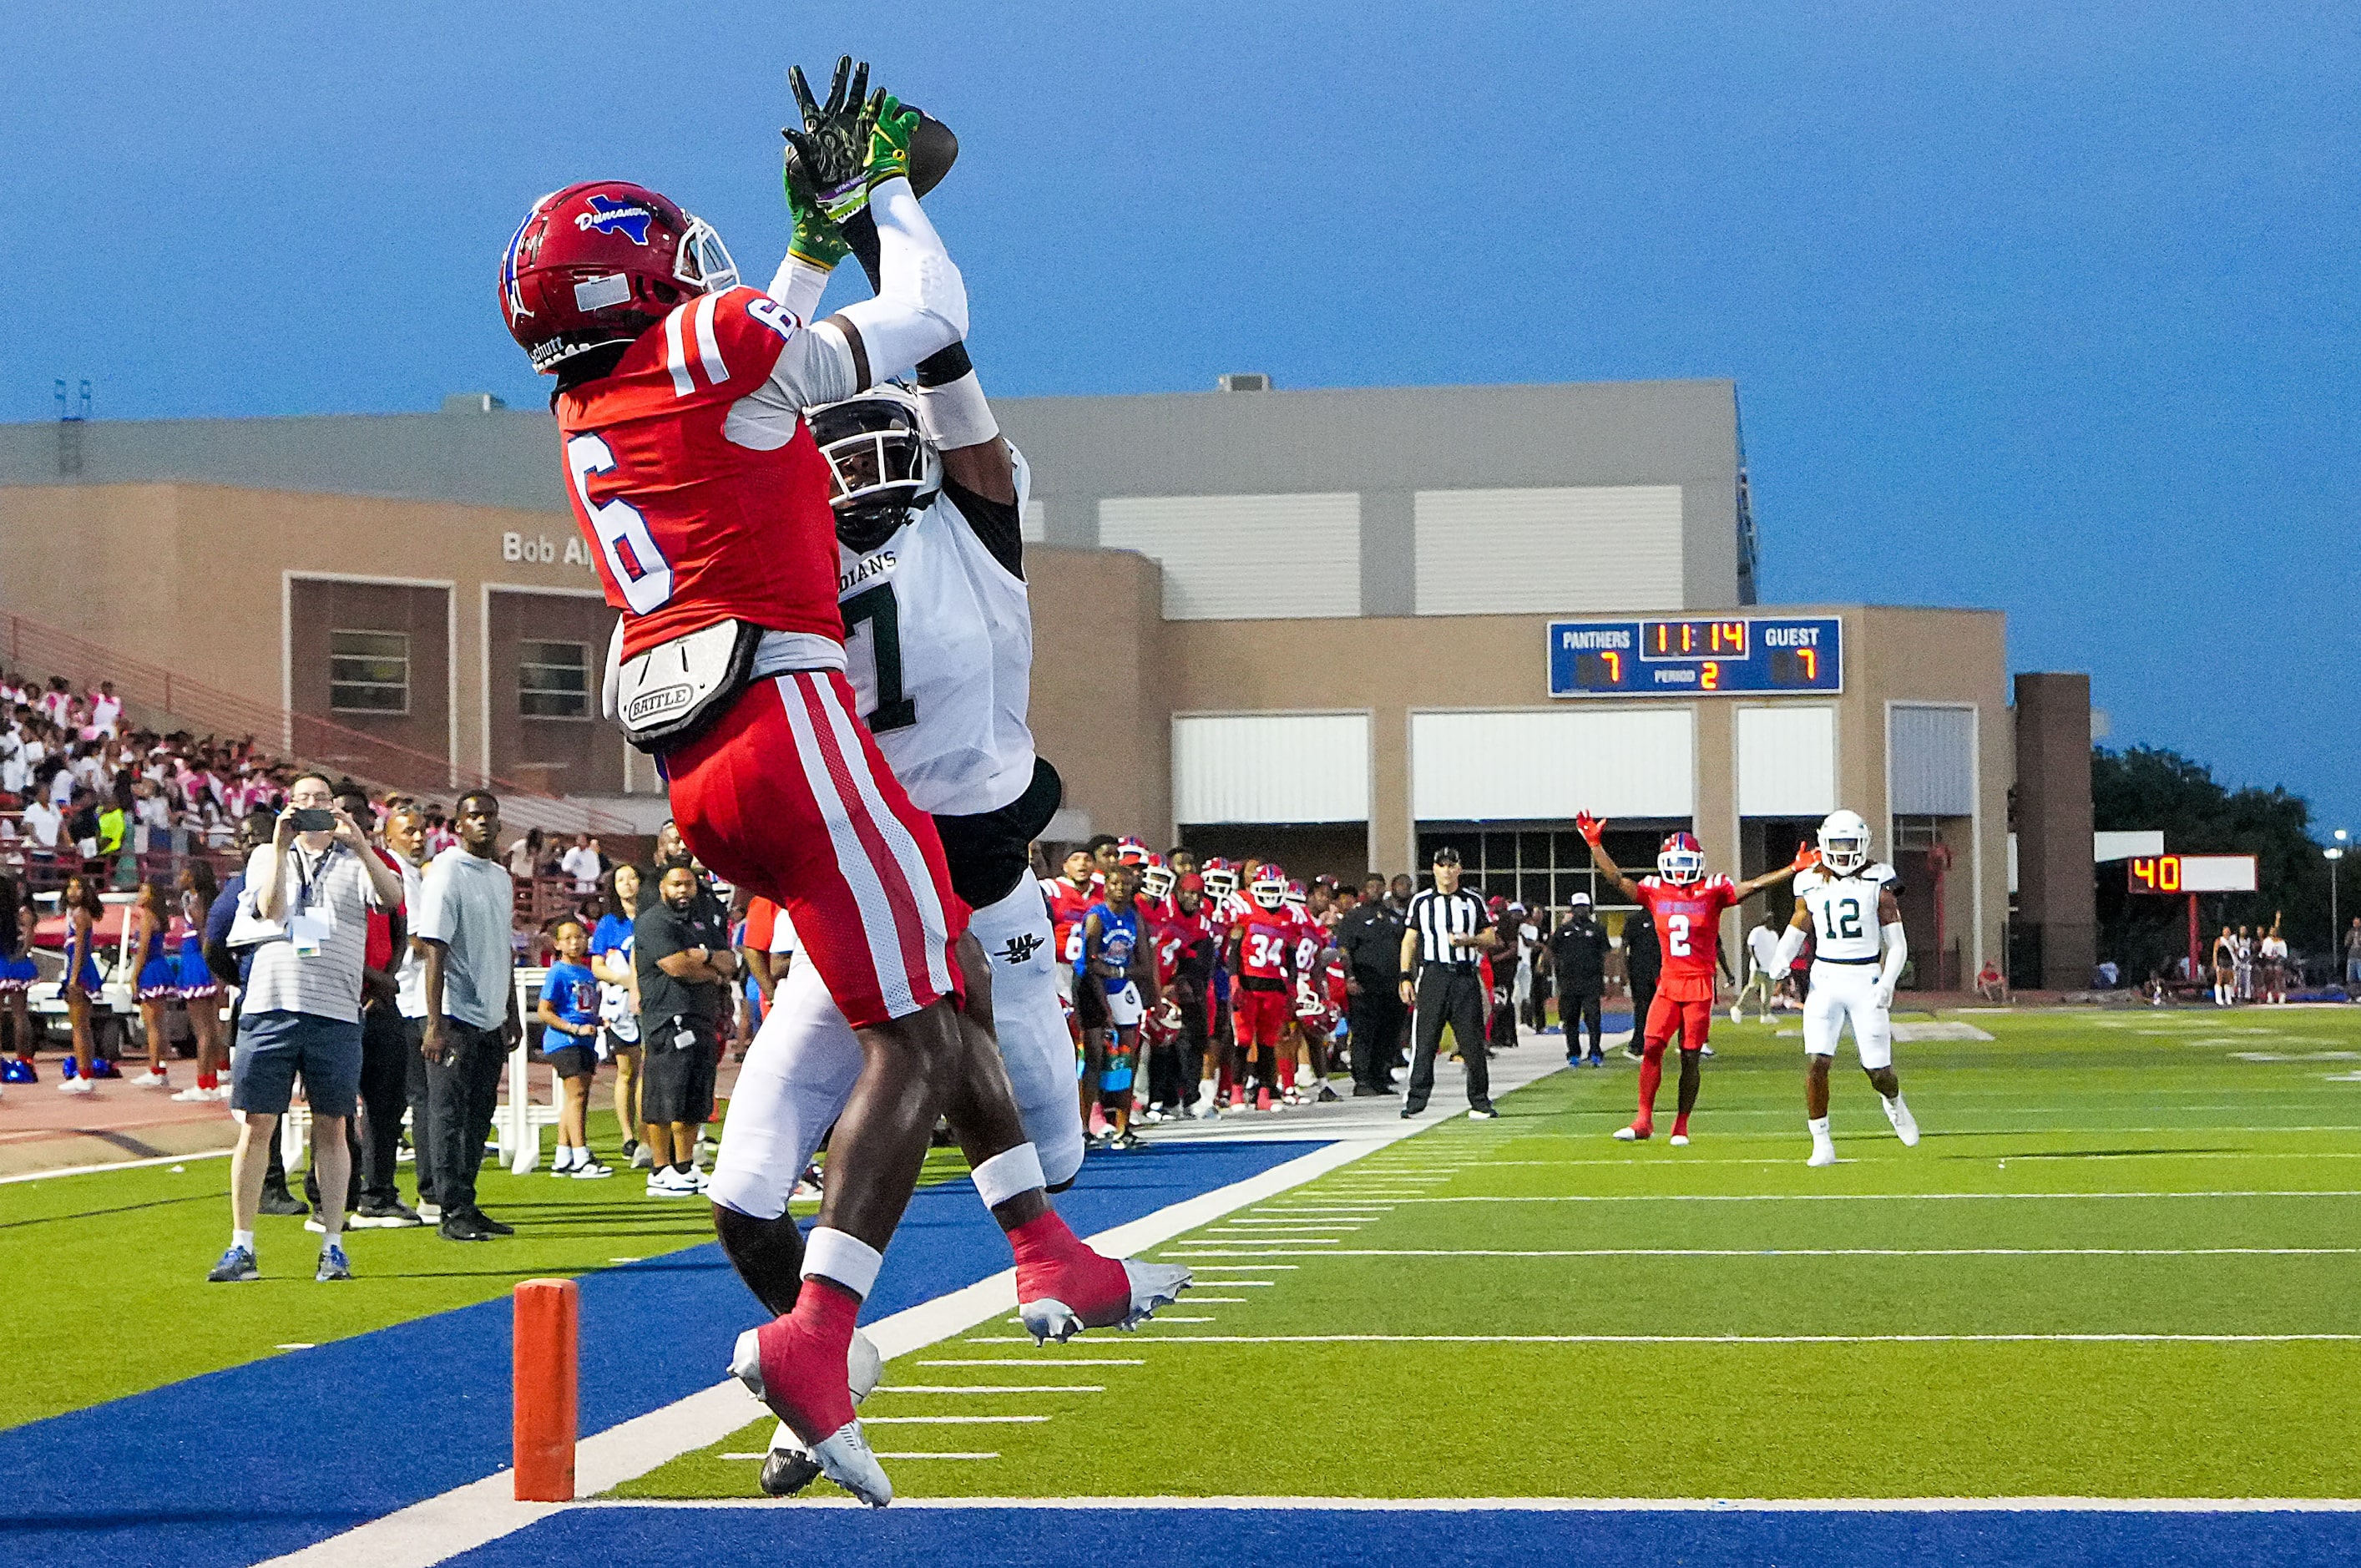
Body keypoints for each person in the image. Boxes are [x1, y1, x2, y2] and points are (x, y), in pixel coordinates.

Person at [207, 774, 402, 1283]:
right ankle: (242, 1244)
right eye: (303, 800)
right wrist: (278, 842)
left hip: (335, 1011)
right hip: (271, 1007)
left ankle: (334, 1243)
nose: (312, 807)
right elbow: (270, 907)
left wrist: (359, 840)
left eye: (321, 799)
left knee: (332, 1126)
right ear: (289, 807)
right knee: (257, 1126)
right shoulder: (265, 856)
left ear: (335, 807)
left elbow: (392, 898)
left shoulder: (357, 860)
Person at [1579, 813, 1812, 1146]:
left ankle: (1681, 1124)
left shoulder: (1712, 890)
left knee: (1689, 1055)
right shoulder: (1655, 890)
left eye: (1687, 861)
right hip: (1668, 983)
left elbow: (1754, 885)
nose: (1681, 868)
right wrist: (1594, 844)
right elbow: (1616, 878)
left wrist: (1791, 869)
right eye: (1675, 861)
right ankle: (1643, 1120)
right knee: (1651, 1048)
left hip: (1700, 984)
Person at [1772, 809, 1919, 1166]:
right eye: (1836, 844)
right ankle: (1821, 1141)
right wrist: (1780, 958)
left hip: (1865, 979)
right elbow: (1799, 925)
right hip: (1825, 979)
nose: (1842, 851)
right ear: (1824, 844)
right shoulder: (1810, 881)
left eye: (1849, 844)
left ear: (1863, 844)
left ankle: (1893, 1102)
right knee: (1817, 1062)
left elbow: (1897, 944)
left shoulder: (1879, 880)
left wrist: (1887, 982)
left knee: (1878, 1071)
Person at [415, 791, 523, 1243]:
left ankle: (468, 1200)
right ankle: (449, 1210)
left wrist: (512, 1011)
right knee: (448, 1115)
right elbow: (433, 949)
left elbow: (505, 948)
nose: (483, 823)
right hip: (456, 1017)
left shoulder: (500, 877)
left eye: (489, 816)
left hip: (492, 1017)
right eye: (473, 816)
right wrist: (434, 1023)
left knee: (479, 1115)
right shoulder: (446, 872)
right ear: (458, 825)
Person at [341, 783, 420, 1230]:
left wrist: (387, 977)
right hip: (338, 999)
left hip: (381, 1001)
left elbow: (400, 922)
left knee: (387, 1102)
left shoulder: (385, 865)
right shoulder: (319, 867)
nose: (355, 820)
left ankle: (379, 1193)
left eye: (361, 814)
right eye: (344, 811)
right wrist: (374, 979)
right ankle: (333, 1195)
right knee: (334, 1107)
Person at [635, 862, 733, 1196]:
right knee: (665, 1096)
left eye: (688, 885)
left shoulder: (703, 919)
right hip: (667, 1017)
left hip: (701, 1016)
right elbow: (677, 967)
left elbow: (730, 962)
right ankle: (660, 1170)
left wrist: (702, 956)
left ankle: (685, 1165)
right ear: (663, 888)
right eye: (676, 885)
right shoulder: (653, 921)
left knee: (695, 1096)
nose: (682, 891)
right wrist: (712, 970)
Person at [1398, 847, 1498, 1120]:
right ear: (1434, 869)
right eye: (1441, 865)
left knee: (1472, 1042)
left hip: (1464, 976)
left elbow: (1490, 938)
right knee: (1425, 1039)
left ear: (1459, 869)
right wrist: (1405, 976)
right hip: (1434, 975)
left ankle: (1480, 1100)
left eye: (1451, 865)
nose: (1446, 870)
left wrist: (1469, 941)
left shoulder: (1472, 901)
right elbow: (1410, 940)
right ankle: (1416, 1099)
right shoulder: (1421, 901)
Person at [385, 801, 442, 1220]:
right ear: (389, 838)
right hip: (406, 999)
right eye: (409, 831)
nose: (419, 837)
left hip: (419, 998)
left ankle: (429, 1186)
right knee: (422, 1099)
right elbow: (418, 941)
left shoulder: (423, 877)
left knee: (423, 1099)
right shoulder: (394, 877)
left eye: (422, 830)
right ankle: (429, 1190)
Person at [537, 916, 613, 1177]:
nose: (574, 943)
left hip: (586, 1040)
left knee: (578, 1097)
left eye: (579, 937)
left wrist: (597, 1020)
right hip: (566, 1040)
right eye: (567, 938)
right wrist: (572, 1028)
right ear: (557, 944)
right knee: (576, 1095)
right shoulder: (559, 972)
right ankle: (581, 1154)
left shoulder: (587, 972)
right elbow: (545, 1010)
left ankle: (564, 1154)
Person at [589, 863, 647, 1167]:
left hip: (653, 1002)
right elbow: (597, 966)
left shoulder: (652, 918)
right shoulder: (610, 924)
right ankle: (628, 1135)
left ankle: (650, 1135)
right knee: (628, 1070)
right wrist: (628, 981)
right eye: (621, 880)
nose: (627, 884)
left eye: (632, 878)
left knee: (650, 1070)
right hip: (621, 1006)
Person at [1336, 874, 1408, 1095]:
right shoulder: (1354, 917)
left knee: (1388, 1032)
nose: (1375, 889)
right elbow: (1344, 950)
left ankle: (1379, 1075)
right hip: (1365, 985)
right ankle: (1363, 1080)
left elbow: (1407, 947)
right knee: (1365, 1033)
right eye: (1371, 886)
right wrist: (1350, 978)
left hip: (1391, 986)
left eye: (1379, 885)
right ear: (1364, 889)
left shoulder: (1393, 917)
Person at [169, 861, 230, 1101]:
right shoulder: (201, 900)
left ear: (194, 877)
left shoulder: (196, 902)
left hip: (197, 963)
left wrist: (215, 973)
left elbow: (205, 936)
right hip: (200, 963)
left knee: (203, 1030)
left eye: (186, 872)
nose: (181, 875)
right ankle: (209, 1081)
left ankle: (204, 1083)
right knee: (210, 1028)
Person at [53, 874, 105, 1094]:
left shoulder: (80, 914)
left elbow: (81, 950)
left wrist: (73, 980)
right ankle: (85, 1072)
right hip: (78, 969)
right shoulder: (73, 913)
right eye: (70, 888)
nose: (73, 892)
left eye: (78, 888)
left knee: (79, 1026)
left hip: (81, 972)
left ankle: (84, 1074)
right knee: (81, 1025)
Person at [1549, 894, 1610, 1066]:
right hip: (1569, 982)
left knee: (1593, 1019)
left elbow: (1605, 954)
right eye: (1578, 907)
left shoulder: (1598, 929)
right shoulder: (1563, 930)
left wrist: (1611, 980)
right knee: (1571, 1019)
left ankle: (1596, 1051)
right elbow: (1552, 951)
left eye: (1584, 907)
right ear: (1572, 908)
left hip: (1591, 982)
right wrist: (1556, 973)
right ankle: (1573, 1053)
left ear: (1590, 908)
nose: (1581, 910)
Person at [128, 880, 179, 1089]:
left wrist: (134, 976)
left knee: (152, 1024)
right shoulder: (156, 917)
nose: (140, 894)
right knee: (159, 1023)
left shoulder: (148, 918)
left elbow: (143, 951)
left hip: (151, 969)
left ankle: (155, 1069)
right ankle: (160, 1067)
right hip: (159, 966)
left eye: (144, 891)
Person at [1732, 914, 1784, 1024]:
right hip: (1758, 967)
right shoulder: (1757, 931)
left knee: (1768, 992)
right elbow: (1750, 946)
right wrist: (1755, 960)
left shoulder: (1774, 934)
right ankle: (1738, 1008)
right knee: (1752, 987)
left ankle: (1765, 1014)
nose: (1772, 923)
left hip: (1770, 968)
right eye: (1770, 920)